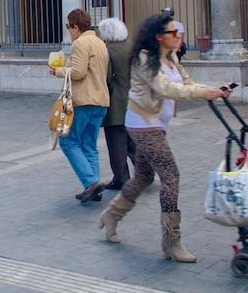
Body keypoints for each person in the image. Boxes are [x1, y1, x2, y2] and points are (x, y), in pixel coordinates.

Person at [97, 13, 229, 261]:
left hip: (158, 124)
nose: (178, 35)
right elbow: (166, 88)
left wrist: (214, 90)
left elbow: (187, 83)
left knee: (142, 177)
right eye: (172, 32)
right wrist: (204, 94)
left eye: (178, 32)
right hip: (144, 125)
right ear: (158, 36)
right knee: (170, 175)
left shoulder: (171, 58)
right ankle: (172, 241)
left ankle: (112, 215)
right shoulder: (144, 59)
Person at [47, 8, 110, 204]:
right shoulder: (100, 43)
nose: (68, 30)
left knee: (68, 142)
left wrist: (58, 71)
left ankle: (91, 182)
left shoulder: (80, 43)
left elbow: (78, 72)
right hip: (101, 100)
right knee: (89, 144)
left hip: (83, 99)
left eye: (68, 26)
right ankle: (94, 187)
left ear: (75, 27)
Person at [96, 18, 137, 190]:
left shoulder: (109, 51)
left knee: (116, 144)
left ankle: (121, 177)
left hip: (116, 102)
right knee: (133, 141)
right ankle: (145, 172)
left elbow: (106, 78)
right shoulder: (132, 48)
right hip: (134, 99)